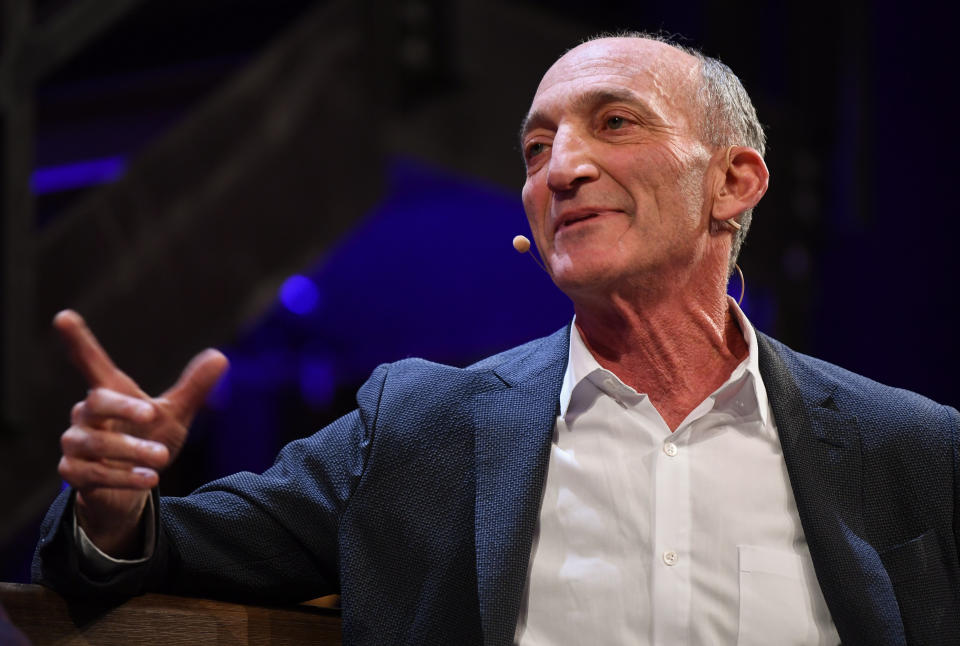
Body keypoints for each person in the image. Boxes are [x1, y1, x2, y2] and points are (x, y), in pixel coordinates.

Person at [33, 33, 958, 646]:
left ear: (736, 182)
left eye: (616, 123)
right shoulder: (418, 429)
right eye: (535, 148)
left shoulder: (913, 449)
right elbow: (156, 546)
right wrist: (113, 501)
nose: (564, 167)